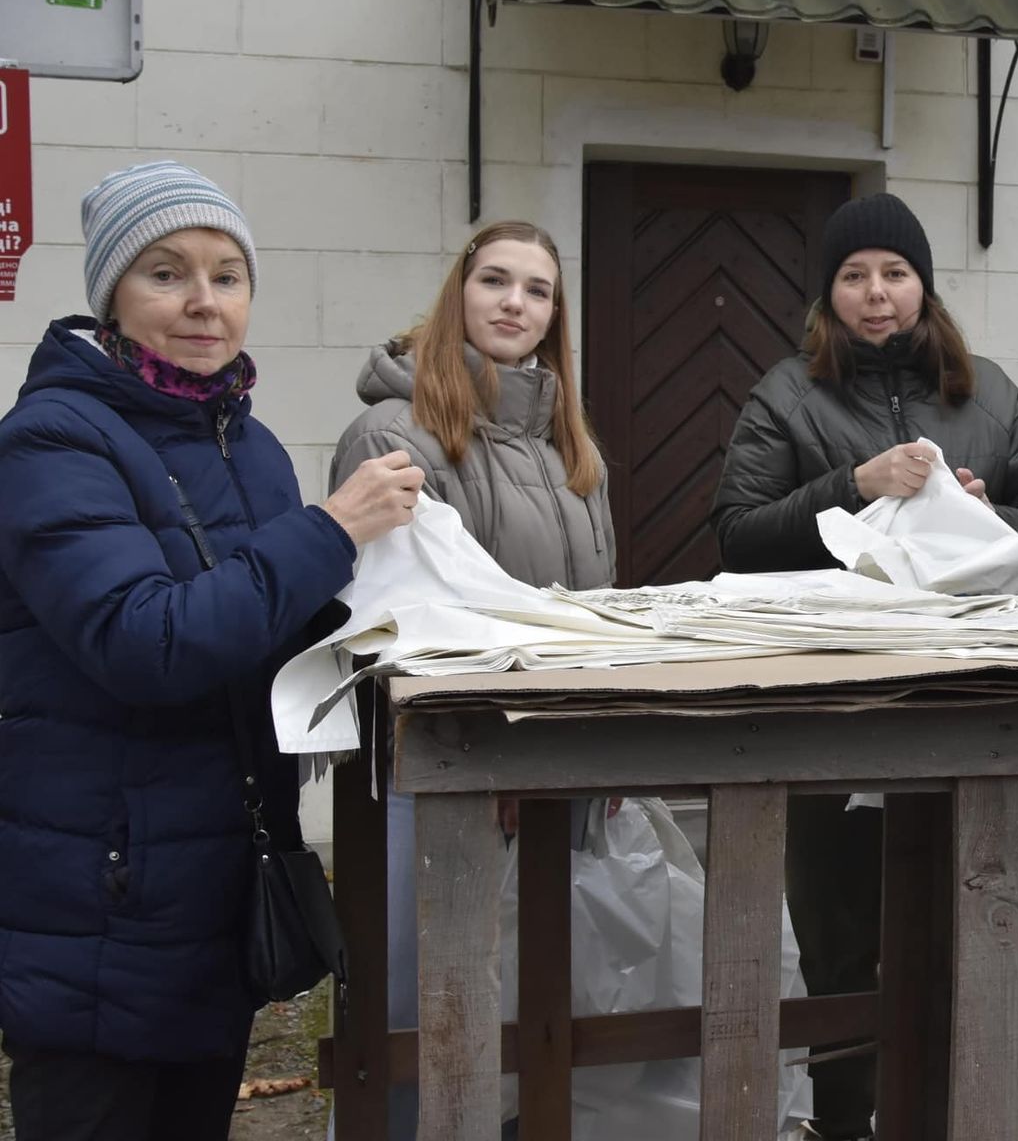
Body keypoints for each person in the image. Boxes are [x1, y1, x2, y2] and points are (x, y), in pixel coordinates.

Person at [0, 161, 422, 1141]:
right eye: (165, 272)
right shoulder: (52, 444)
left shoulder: (252, 446)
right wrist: (328, 533)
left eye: (227, 275)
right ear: (111, 293)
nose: (203, 302)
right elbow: (144, 641)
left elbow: (267, 634)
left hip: (214, 904)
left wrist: (395, 625)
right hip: (93, 913)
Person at [711, 191, 1018, 1140]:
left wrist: (985, 513)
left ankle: (962, 1117)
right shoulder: (787, 393)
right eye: (854, 276)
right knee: (839, 947)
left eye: (895, 273)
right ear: (829, 296)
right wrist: (851, 487)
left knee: (972, 933)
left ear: (925, 289)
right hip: (832, 713)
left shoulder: (988, 394)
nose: (876, 294)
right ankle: (842, 1123)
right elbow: (736, 536)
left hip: (974, 711)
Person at [332, 219, 616, 1140]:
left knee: (530, 997)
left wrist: (594, 741)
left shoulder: (572, 447)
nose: (514, 304)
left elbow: (593, 610)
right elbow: (412, 617)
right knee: (424, 1004)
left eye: (537, 291)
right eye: (495, 281)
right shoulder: (394, 428)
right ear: (458, 291)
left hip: (555, 765)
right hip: (449, 764)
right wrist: (502, 747)